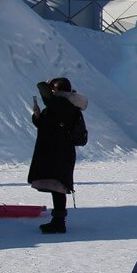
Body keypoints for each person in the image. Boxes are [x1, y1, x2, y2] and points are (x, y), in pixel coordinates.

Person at [28, 77, 87, 234]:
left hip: (60, 152)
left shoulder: (65, 105)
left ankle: (59, 222)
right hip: (55, 151)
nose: (51, 93)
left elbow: (46, 96)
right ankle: (57, 221)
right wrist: (38, 117)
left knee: (59, 187)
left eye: (53, 90)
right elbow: (45, 125)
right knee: (56, 187)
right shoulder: (60, 106)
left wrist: (44, 84)